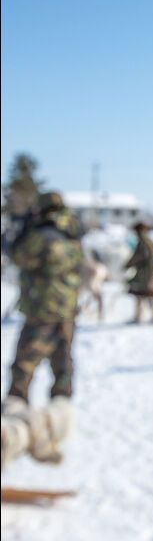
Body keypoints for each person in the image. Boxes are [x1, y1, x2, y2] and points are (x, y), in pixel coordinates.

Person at [1, 191, 82, 467]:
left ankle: (13, 435)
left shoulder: (42, 236)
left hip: (41, 312)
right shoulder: (72, 231)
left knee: (22, 370)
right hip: (66, 310)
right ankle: (55, 426)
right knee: (63, 369)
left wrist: (19, 234)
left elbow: (18, 257)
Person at [125, 222, 153, 324]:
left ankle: (152, 317)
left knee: (145, 294)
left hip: (145, 273)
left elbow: (140, 256)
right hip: (152, 271)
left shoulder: (143, 242)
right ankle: (141, 316)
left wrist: (128, 264)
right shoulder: (150, 241)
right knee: (143, 295)